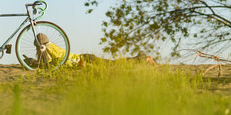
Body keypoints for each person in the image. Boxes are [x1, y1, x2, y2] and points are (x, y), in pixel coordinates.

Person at [23, 33, 156, 68]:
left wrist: (34, 63)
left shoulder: (49, 50)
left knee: (113, 64)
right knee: (113, 63)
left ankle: (142, 59)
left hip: (85, 59)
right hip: (84, 57)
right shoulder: (50, 47)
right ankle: (141, 59)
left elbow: (56, 63)